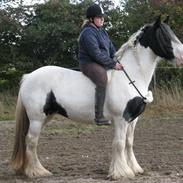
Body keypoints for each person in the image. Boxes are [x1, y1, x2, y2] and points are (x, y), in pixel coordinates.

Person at [78, 4, 123, 126]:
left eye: (102, 17)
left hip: (102, 62)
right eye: (99, 17)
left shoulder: (103, 32)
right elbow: (96, 54)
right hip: (89, 63)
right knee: (102, 77)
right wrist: (113, 64)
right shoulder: (88, 33)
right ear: (91, 19)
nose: (102, 19)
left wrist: (117, 59)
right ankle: (99, 116)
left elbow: (112, 49)